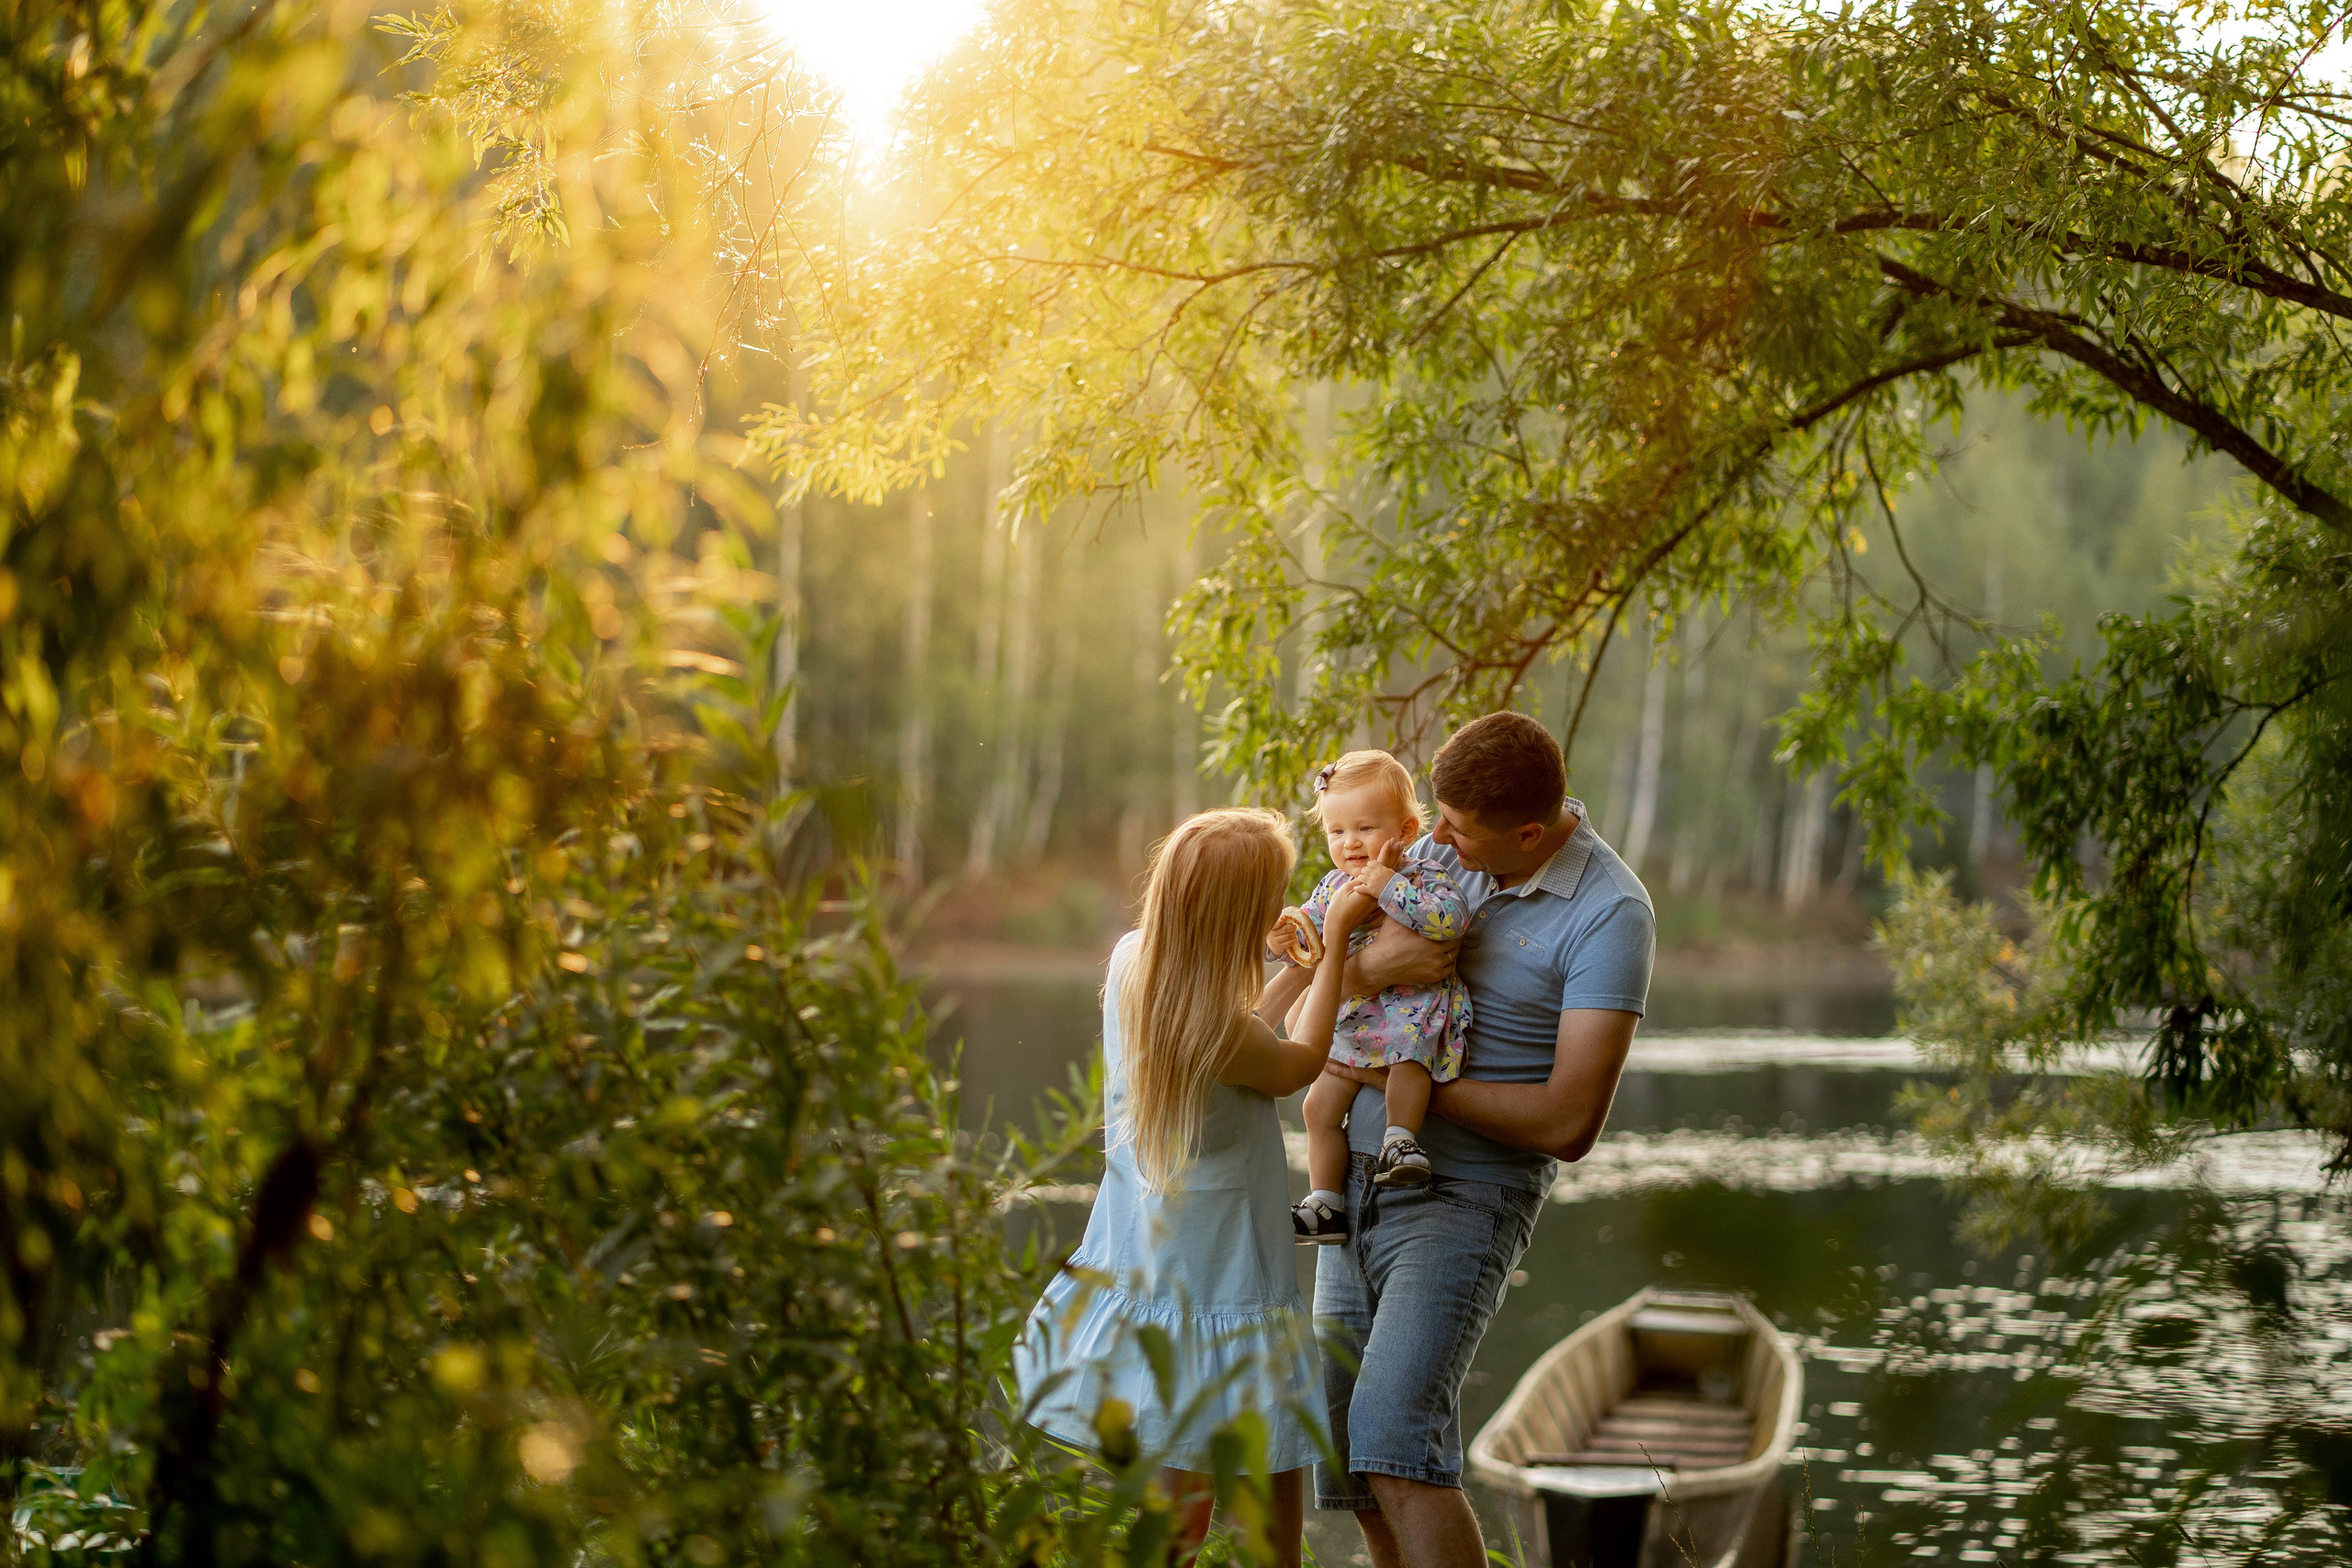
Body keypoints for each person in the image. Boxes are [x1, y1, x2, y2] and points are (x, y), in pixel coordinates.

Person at [1258, 712, 1655, 1568]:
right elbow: (1330, 973)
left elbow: (1568, 1123)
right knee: (1347, 1459)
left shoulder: (1611, 913)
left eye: (1458, 829)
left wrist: (1384, 1073)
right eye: (1435, 818)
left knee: (1396, 1445)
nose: (1435, 839)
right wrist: (1365, 970)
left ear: (1529, 833)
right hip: (1349, 1186)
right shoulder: (1437, 853)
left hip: (1465, 1196)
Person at [1014, 807, 1374, 1567]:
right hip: (1228, 1277)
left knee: (1175, 1518)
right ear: (1232, 915)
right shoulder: (1219, 1027)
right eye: (1269, 896)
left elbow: (1239, 1036)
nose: (1281, 906)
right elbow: (1297, 1060)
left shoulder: (1134, 960)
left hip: (1160, 1268)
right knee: (1268, 1527)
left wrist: (1294, 967)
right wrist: (1336, 944)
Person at [1268, 750, 1473, 1244]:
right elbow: (1310, 939)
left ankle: (1400, 1141)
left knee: (1409, 1061)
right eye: (1337, 831)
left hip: (1410, 1009)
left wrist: (1390, 887)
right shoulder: (1333, 887)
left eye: (1364, 828)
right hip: (1356, 1019)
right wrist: (1279, 942)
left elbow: (1449, 921)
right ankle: (1326, 1203)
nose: (1350, 842)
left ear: (1405, 831)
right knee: (1316, 1107)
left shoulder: (1424, 875)